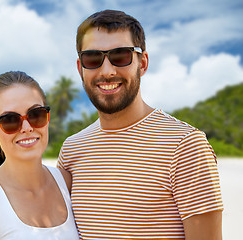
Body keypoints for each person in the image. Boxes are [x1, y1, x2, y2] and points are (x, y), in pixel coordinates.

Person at [58, 10, 224, 239]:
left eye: (120, 56)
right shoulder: (72, 150)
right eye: (93, 58)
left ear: (142, 63)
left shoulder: (186, 146)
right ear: (80, 68)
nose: (107, 71)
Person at [0, 71, 79, 239]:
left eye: (36, 114)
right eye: (10, 120)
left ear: (48, 117)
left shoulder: (68, 183)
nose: (27, 127)